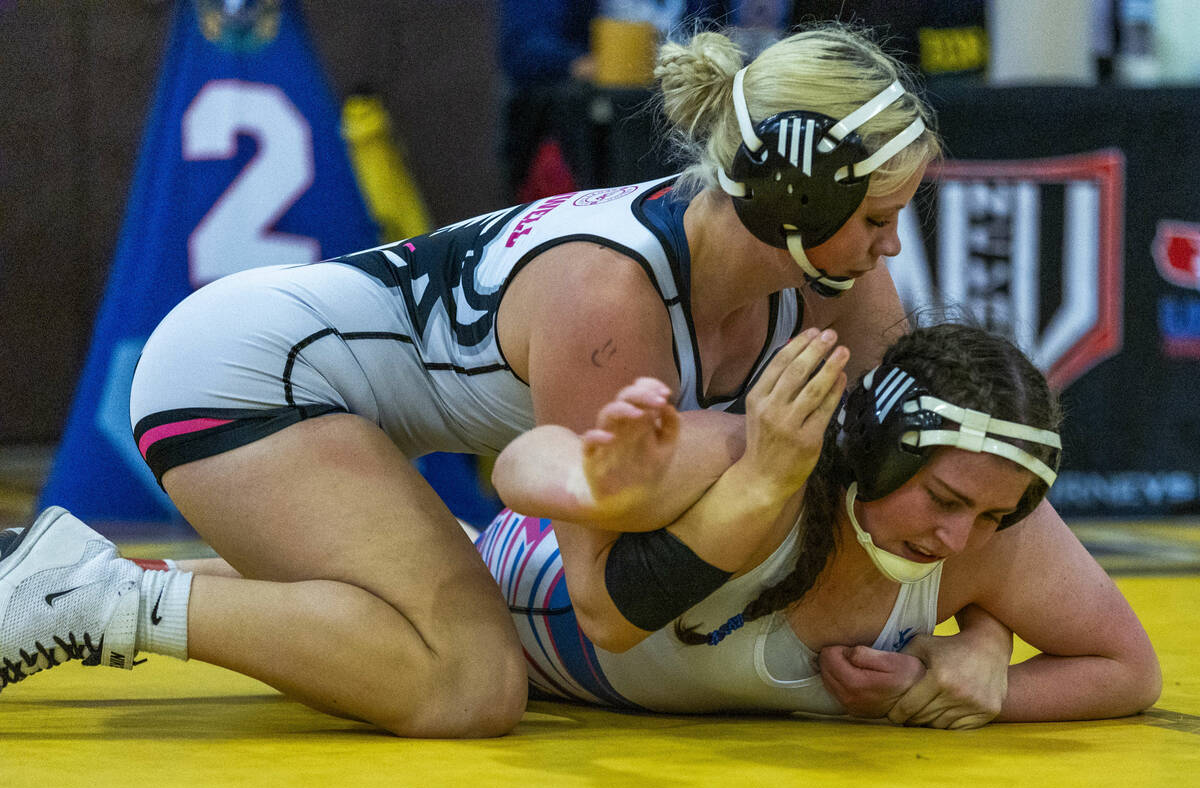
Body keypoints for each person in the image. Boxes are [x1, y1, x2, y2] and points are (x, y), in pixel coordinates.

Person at [0, 24, 945, 737]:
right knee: (468, 678)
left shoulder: (835, 267)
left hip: (329, 392)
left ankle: (74, 578)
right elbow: (607, 607)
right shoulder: (609, 293)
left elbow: (928, 458)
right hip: (242, 377)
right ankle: (90, 602)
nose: (890, 243)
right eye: (877, 216)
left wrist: (975, 645)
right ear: (796, 196)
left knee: (448, 627)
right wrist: (758, 469)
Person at [484, 323, 1162, 727]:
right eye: (945, 499)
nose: (956, 540)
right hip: (494, 610)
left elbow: (1130, 670)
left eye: (994, 513)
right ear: (875, 451)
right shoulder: (751, 463)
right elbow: (521, 462)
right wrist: (587, 480)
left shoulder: (994, 535)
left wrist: (984, 683)